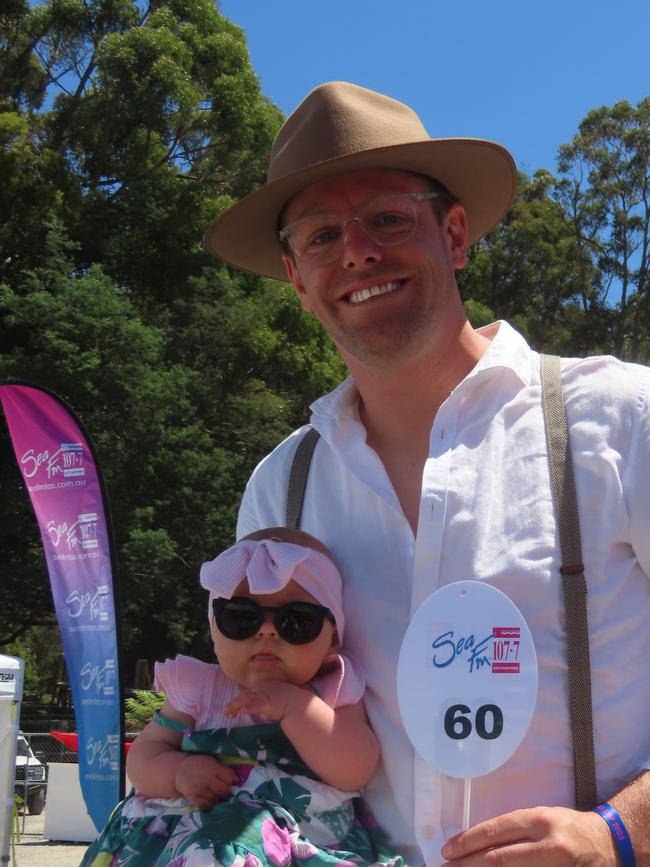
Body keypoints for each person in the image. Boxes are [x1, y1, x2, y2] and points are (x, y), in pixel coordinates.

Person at [204, 81, 650, 866]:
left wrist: (621, 832)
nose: (358, 252)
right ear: (296, 279)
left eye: (387, 218)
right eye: (320, 236)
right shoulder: (282, 488)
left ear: (453, 233)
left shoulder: (620, 420)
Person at [80, 527, 404, 867]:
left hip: (297, 842)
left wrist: (296, 708)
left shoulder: (332, 689)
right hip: (187, 838)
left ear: (333, 639)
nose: (267, 631)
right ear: (214, 631)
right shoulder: (201, 688)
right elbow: (143, 757)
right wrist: (177, 771)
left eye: (296, 621)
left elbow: (356, 769)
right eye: (240, 618)